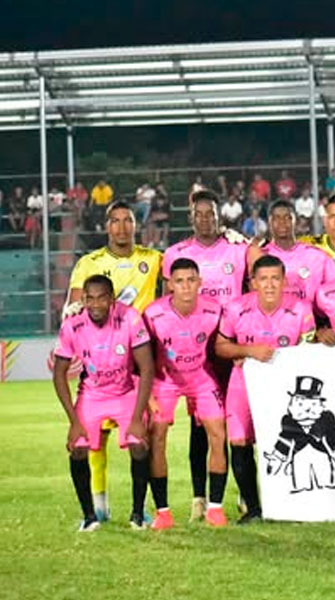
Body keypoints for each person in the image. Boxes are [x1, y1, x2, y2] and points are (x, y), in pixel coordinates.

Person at [65, 201, 162, 522]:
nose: (122, 227)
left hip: (141, 360)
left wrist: (227, 235)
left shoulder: (153, 258)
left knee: (146, 437)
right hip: (101, 361)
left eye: (128, 220)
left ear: (136, 225)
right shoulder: (89, 263)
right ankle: (99, 504)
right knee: (96, 438)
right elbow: (75, 307)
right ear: (107, 226)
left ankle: (144, 507)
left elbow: (188, 263)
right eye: (115, 221)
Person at [161, 190, 248, 521]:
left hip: (232, 347)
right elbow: (165, 302)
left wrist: (248, 240)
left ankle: (245, 493)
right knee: (201, 427)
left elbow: (260, 269)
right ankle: (200, 497)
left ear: (219, 216)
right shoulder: (176, 254)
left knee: (239, 423)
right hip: (196, 351)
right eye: (198, 214)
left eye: (210, 213)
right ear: (190, 218)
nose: (204, 219)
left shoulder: (238, 249)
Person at [215, 255, 317, 523]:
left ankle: (288, 506)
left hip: (285, 387)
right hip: (243, 384)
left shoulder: (302, 310)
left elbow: (308, 351)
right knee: (239, 441)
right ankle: (253, 508)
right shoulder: (236, 308)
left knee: (284, 443)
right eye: (263, 279)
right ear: (253, 282)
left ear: (284, 281)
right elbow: (220, 347)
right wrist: (248, 350)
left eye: (275, 278)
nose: (269, 285)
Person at [52, 274, 154, 531]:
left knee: (139, 445)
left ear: (111, 300)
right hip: (92, 395)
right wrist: (73, 422)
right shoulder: (73, 326)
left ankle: (138, 514)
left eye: (101, 298)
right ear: (84, 300)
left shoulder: (130, 318)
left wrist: (137, 418)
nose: (95, 304)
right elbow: (59, 374)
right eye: (90, 298)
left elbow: (147, 367)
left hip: (125, 391)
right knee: (77, 448)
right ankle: (89, 517)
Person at [143, 259, 228, 528]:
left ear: (200, 282)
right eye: (179, 281)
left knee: (218, 433)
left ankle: (215, 509)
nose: (186, 286)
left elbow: (221, 346)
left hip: (200, 378)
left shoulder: (214, 310)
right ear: (170, 285)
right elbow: (143, 356)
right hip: (165, 380)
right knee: (157, 437)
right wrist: (147, 395)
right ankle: (163, 512)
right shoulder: (153, 314)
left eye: (191, 280)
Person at [250, 199, 335, 306]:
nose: (282, 222)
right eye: (276, 218)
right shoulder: (260, 255)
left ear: (296, 221)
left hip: (310, 315)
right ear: (269, 223)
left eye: (287, 218)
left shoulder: (316, 256)